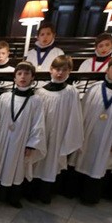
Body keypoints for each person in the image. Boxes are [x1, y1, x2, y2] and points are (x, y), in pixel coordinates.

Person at [71, 54, 112, 205]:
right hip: (89, 133)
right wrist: (78, 132)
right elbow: (82, 111)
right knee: (82, 160)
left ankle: (90, 196)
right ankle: (73, 191)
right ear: (108, 69)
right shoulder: (96, 87)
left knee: (99, 165)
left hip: (109, 136)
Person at [0, 61, 46, 208]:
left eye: (27, 74)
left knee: (17, 168)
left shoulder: (36, 100)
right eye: (19, 74)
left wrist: (32, 144)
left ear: (32, 77)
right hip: (3, 140)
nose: (23, 77)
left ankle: (13, 198)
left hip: (22, 141)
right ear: (14, 78)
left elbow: (38, 124)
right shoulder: (5, 97)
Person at [28, 55, 83, 204]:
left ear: (69, 72)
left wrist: (68, 138)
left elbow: (75, 117)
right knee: (37, 162)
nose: (60, 73)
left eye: (64, 70)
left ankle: (46, 194)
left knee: (52, 163)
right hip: (41, 133)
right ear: (51, 70)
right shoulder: (40, 92)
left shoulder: (71, 92)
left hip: (59, 134)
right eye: (57, 69)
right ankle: (32, 193)